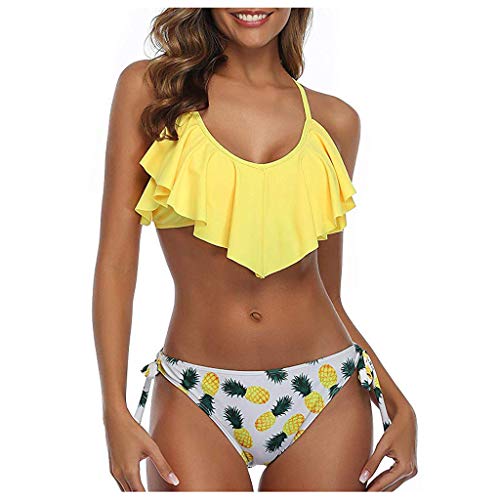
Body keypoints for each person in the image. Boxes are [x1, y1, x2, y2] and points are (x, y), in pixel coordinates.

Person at [92, 7, 417, 492]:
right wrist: (113, 411)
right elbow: (117, 263)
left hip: (326, 391)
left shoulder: (335, 122)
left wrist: (397, 403)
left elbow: (328, 293)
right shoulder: (153, 91)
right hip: (195, 392)